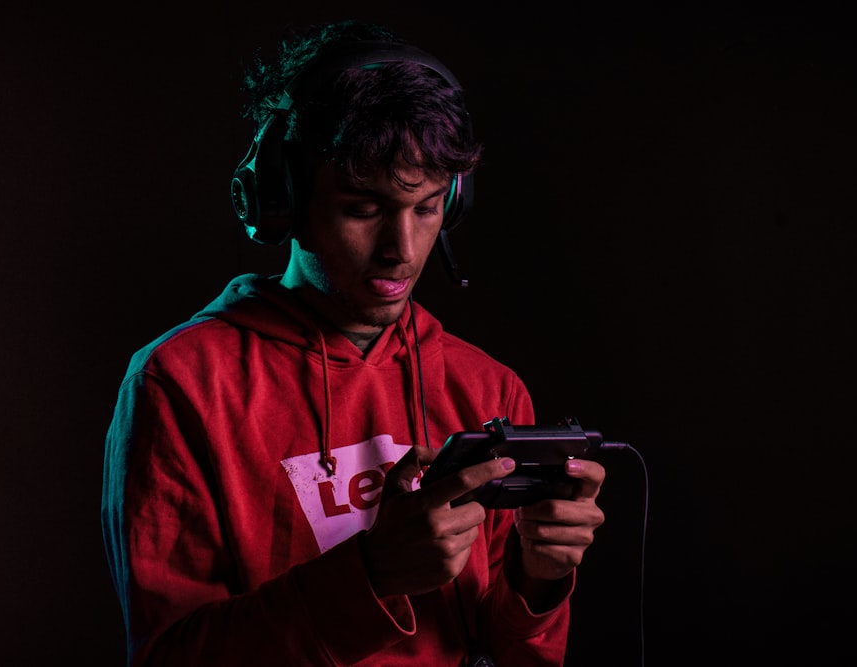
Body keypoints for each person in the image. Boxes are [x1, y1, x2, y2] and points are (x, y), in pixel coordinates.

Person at [101, 19, 607, 667]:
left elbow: (514, 654)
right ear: (284, 198)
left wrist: (539, 579)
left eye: (425, 207)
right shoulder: (181, 381)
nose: (402, 249)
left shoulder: (487, 385)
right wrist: (370, 575)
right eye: (363, 208)